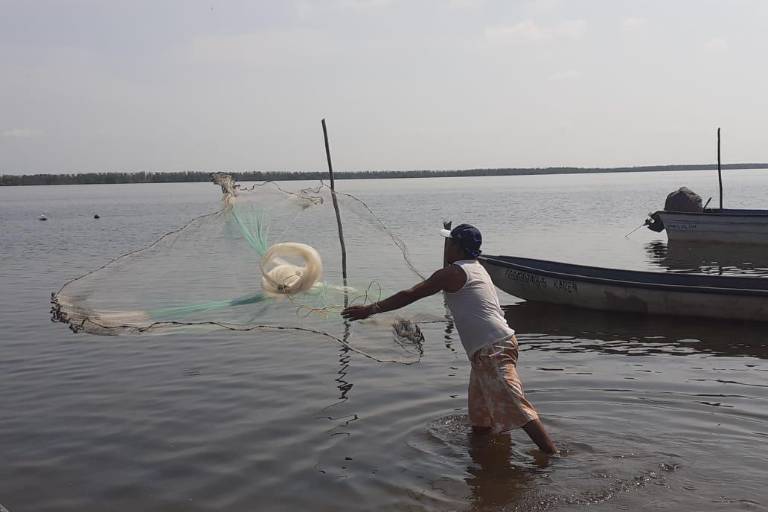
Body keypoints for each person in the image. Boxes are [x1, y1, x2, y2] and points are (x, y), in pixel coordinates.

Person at [341, 223, 558, 454]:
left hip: (492, 350)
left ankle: (553, 458)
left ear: (457, 246)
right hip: (489, 350)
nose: (445, 247)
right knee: (481, 420)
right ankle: (485, 458)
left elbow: (411, 294)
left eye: (449, 242)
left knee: (518, 408)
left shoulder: (453, 273)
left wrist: (370, 309)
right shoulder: (475, 267)